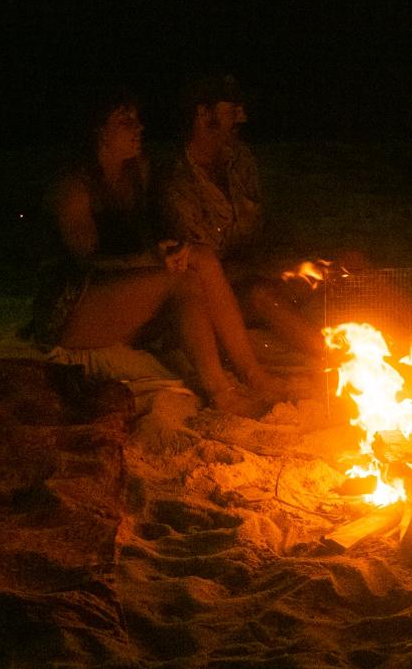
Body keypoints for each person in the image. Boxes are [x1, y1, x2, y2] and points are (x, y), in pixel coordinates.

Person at [29, 85, 288, 417]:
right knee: (180, 279)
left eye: (138, 119)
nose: (139, 128)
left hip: (123, 293)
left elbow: (148, 237)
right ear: (99, 132)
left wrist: (170, 249)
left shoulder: (136, 172)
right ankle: (221, 392)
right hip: (72, 306)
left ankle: (253, 374)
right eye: (125, 121)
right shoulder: (73, 189)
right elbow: (86, 262)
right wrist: (152, 259)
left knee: (199, 260)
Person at [156, 74, 327, 359]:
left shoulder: (240, 160)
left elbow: (260, 233)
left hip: (255, 273)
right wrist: (269, 268)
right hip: (216, 301)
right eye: (233, 110)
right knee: (262, 296)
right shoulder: (176, 183)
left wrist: (300, 260)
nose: (243, 117)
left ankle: (406, 347)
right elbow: (206, 272)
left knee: (342, 266)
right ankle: (344, 363)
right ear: (202, 113)